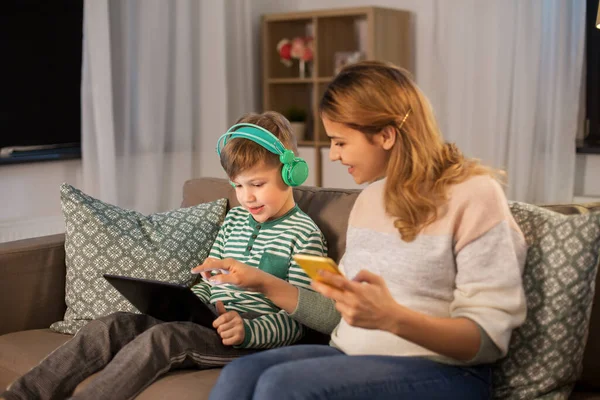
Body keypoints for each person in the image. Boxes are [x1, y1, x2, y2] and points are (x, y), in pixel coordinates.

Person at [207, 61, 528, 400]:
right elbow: (336, 317)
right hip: (352, 354)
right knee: (240, 375)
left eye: (340, 142)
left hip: (445, 370)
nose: (332, 156)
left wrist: (393, 318)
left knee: (282, 386)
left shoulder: (475, 194)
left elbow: (487, 340)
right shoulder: (369, 200)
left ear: (386, 135)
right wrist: (270, 283)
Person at [1, 111, 330, 400]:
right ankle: (21, 395)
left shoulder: (305, 235)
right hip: (205, 324)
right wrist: (189, 301)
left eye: (257, 184)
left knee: (164, 337)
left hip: (247, 341)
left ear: (291, 173)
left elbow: (303, 323)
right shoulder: (234, 221)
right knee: (111, 325)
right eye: (238, 186)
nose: (247, 197)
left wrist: (248, 331)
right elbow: (208, 282)